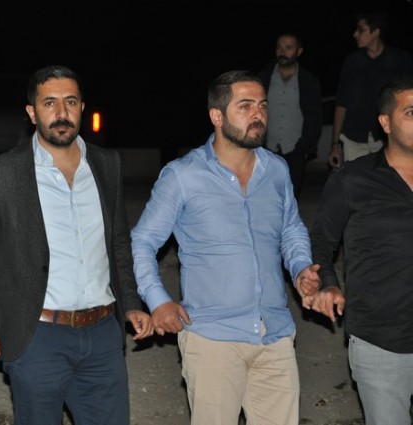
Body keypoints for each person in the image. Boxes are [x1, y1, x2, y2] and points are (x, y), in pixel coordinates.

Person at [0, 64, 153, 425]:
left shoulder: (106, 163)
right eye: (50, 103)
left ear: (82, 108)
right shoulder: (3, 172)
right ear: (32, 112)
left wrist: (130, 303)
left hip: (103, 334)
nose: (62, 113)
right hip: (38, 336)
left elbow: (118, 242)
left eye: (70, 102)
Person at [130, 70, 321, 425]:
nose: (258, 114)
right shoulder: (183, 175)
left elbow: (291, 228)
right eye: (245, 106)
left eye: (262, 105)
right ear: (217, 116)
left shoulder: (277, 170)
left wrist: (300, 268)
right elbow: (142, 241)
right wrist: (158, 300)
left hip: (274, 333)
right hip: (213, 338)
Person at [307, 74, 413, 425]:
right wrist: (328, 284)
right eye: (411, 113)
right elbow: (321, 242)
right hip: (382, 340)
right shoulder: (353, 179)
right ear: (386, 122)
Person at [328, 10, 413, 168]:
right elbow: (341, 103)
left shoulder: (400, 60)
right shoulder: (352, 62)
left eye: (360, 30)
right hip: (354, 136)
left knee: (388, 180)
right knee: (356, 180)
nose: (355, 34)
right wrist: (335, 144)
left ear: (376, 32)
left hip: (386, 137)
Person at [258, 32, 323, 199]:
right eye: (279, 47)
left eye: (288, 48)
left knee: (292, 196)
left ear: (299, 51)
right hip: (267, 148)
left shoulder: (308, 81)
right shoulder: (263, 78)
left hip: (296, 149)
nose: (282, 52)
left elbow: (315, 117)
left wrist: (305, 147)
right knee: (267, 196)